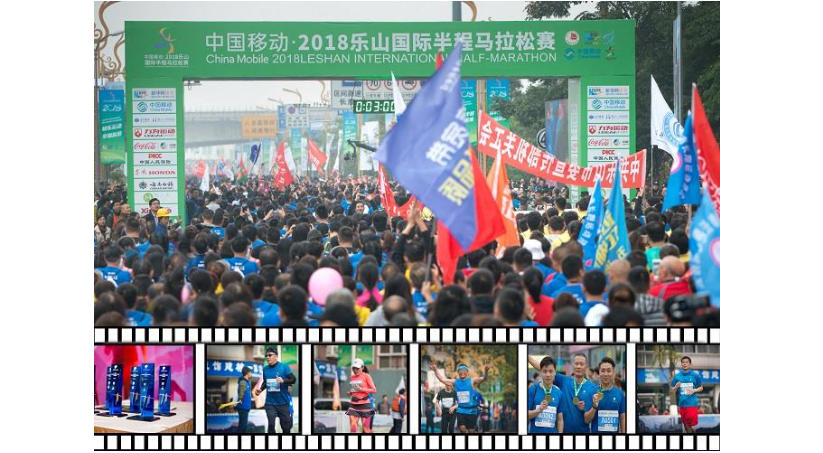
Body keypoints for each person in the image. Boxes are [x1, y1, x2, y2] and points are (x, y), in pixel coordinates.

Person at [528, 353, 597, 433]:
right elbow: (544, 368)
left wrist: (585, 409)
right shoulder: (564, 380)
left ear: (586, 366)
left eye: (581, 364)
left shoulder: (592, 388)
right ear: (572, 365)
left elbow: (587, 419)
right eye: (576, 363)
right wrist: (527, 356)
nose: (578, 366)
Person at [429, 362, 489, 433]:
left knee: (471, 431)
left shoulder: (471, 380)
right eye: (460, 371)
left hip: (471, 410)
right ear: (458, 372)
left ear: (467, 372)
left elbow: (484, 378)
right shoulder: (455, 382)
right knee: (462, 429)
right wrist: (435, 370)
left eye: (464, 371)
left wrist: (486, 371)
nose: (462, 373)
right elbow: (442, 379)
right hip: (460, 410)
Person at [252, 347, 296, 433]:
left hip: (283, 403)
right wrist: (260, 389)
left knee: (286, 428)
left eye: (270, 355)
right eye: (266, 356)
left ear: (276, 356)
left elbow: (293, 379)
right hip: (270, 403)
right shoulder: (265, 369)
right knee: (271, 425)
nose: (267, 357)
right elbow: (265, 382)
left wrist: (283, 381)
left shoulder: (284, 367)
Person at [585, 358, 626, 433]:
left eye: (609, 371)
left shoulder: (620, 394)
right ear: (599, 373)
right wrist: (594, 407)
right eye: (603, 371)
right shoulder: (592, 392)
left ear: (613, 373)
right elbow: (587, 420)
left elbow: (622, 417)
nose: (606, 374)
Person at [527, 356, 564, 433]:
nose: (548, 374)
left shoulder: (559, 393)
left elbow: (560, 419)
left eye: (551, 371)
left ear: (555, 372)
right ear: (540, 372)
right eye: (545, 371)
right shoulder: (533, 389)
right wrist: (538, 410)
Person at [670, 356, 704, 433]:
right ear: (681, 364)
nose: (684, 364)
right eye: (683, 362)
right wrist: (675, 387)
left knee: (688, 425)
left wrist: (694, 390)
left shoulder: (695, 375)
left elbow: (701, 388)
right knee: (686, 426)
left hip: (691, 404)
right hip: (682, 405)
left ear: (690, 364)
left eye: (686, 362)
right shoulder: (677, 376)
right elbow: (672, 390)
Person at [346, 358, 377, 433]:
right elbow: (355, 390)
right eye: (354, 368)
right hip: (353, 405)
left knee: (366, 430)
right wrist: (350, 392)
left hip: (365, 405)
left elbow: (374, 390)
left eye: (357, 368)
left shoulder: (367, 376)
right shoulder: (352, 377)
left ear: (362, 367)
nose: (355, 370)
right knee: (353, 429)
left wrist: (361, 389)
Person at [236, 366, 252, 433]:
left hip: (246, 407)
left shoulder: (247, 382)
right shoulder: (243, 382)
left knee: (243, 426)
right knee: (243, 427)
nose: (251, 374)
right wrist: (240, 400)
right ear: (247, 373)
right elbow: (241, 393)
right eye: (250, 372)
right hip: (243, 407)